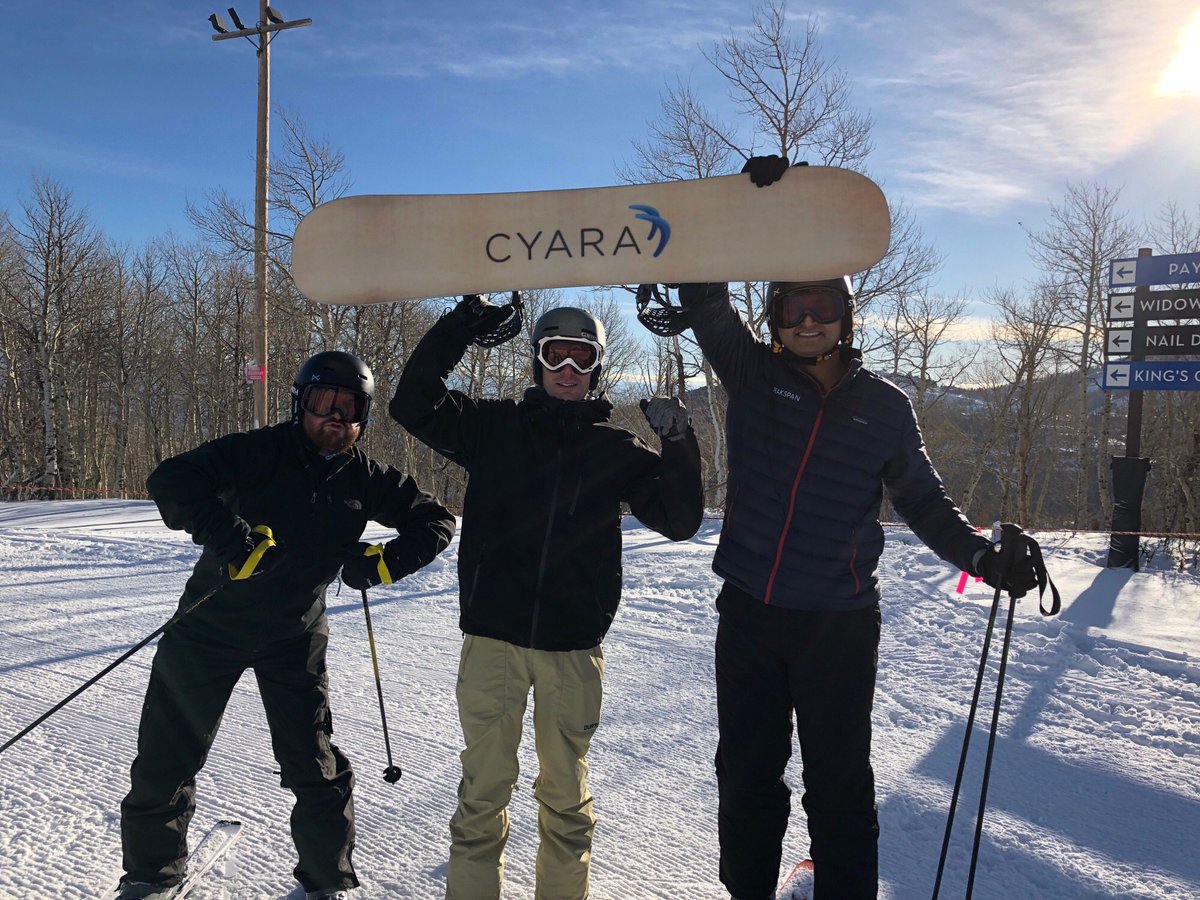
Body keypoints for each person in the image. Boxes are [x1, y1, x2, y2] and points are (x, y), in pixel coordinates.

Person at [677, 240, 1040, 895]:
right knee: (747, 778)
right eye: (792, 306)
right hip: (750, 616)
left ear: (846, 315)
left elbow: (924, 502)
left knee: (840, 787)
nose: (807, 320)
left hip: (838, 627)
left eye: (821, 305)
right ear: (774, 317)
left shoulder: (885, 407)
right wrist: (754, 216)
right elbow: (704, 297)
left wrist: (983, 558)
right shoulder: (752, 373)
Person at [390, 296, 705, 900]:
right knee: (481, 797)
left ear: (595, 368)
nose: (567, 368)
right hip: (494, 643)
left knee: (566, 804)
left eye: (580, 358)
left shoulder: (616, 452)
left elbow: (681, 518)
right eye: (554, 355)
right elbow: (412, 402)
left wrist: (680, 440)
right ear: (536, 363)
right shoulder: (492, 429)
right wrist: (463, 322)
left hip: (571, 651)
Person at [117, 351, 456, 900]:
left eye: (350, 408)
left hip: (295, 634)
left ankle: (326, 882)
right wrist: (231, 539)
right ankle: (149, 878)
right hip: (210, 626)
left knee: (314, 763)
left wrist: (386, 561)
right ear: (301, 402)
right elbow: (172, 478)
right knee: (166, 755)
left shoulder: (364, 475)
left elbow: (436, 520)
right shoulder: (257, 451)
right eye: (325, 402)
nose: (336, 417)